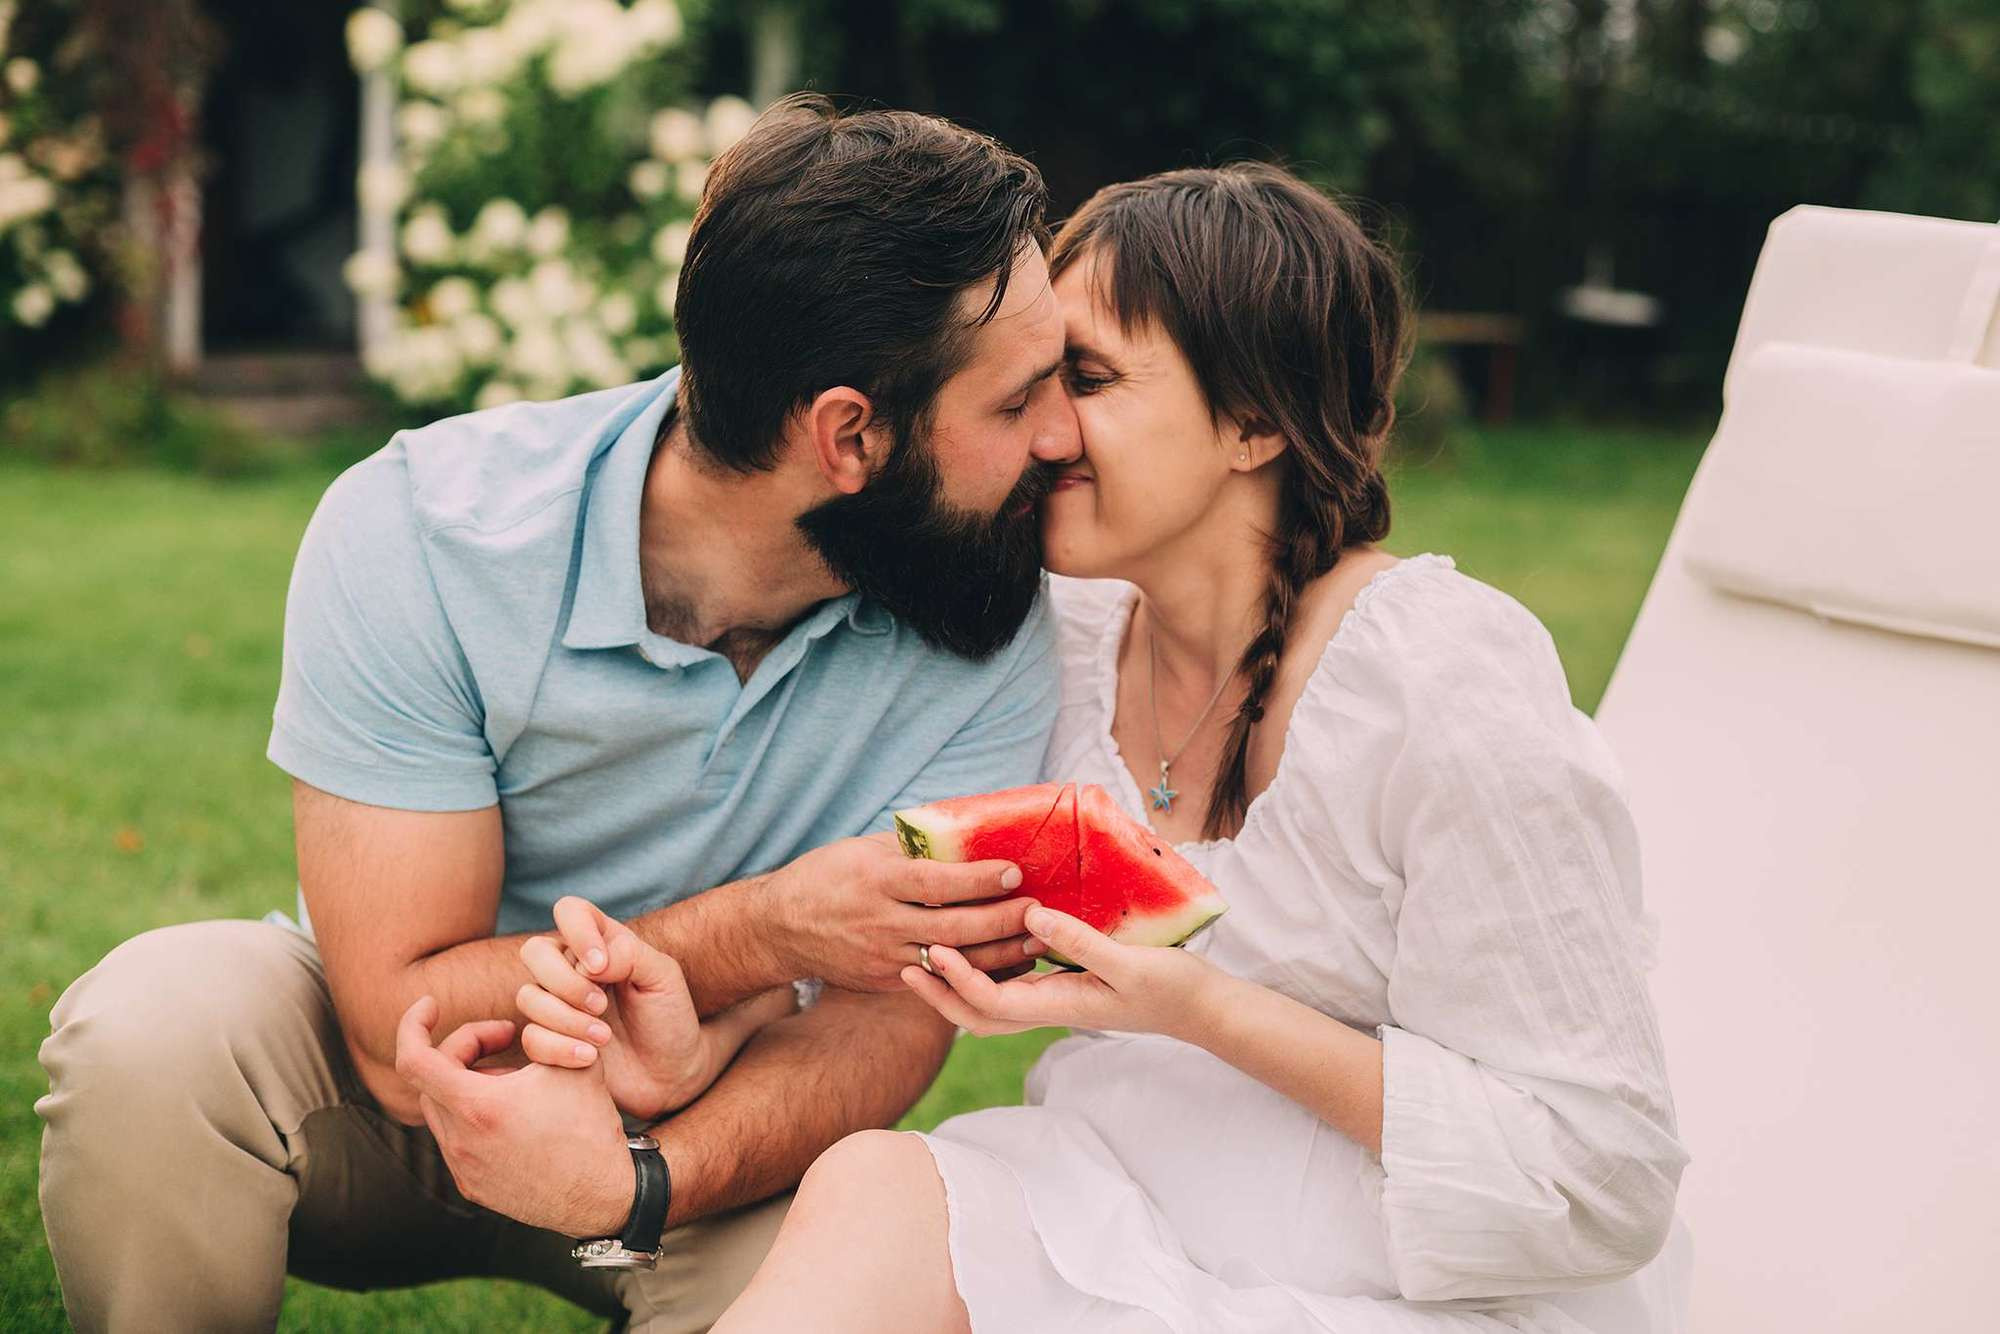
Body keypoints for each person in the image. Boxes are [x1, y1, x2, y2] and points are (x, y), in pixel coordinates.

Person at [530, 162, 1691, 1331]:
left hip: (1397, 1282)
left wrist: (1197, 1006)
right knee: (875, 1183)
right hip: (1105, 1209)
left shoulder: (1438, 679)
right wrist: (706, 1040)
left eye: (1084, 379)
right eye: (1033, 382)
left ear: (1255, 420)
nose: (1043, 431)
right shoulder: (1060, 643)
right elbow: (893, 933)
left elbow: (1597, 1175)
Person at [34, 94, 1083, 1334]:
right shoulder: (424, 531)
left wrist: (636, 1182)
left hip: (708, 1138)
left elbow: (881, 1027)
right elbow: (394, 1018)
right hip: (398, 1104)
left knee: (888, 1268)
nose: (1062, 435)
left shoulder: (986, 597)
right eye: (1016, 402)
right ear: (848, 435)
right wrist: (766, 928)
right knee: (155, 1023)